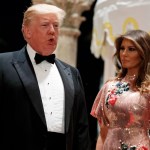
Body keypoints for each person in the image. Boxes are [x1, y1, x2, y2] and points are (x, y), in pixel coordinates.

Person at [0, 3, 91, 150]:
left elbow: (81, 128)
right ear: (27, 31)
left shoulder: (72, 73)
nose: (52, 31)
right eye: (45, 25)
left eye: (56, 25)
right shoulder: (3, 64)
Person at [90, 29, 150, 150]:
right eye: (122, 48)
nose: (124, 53)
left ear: (143, 52)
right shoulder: (109, 87)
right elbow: (102, 132)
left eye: (131, 49)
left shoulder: (148, 89)